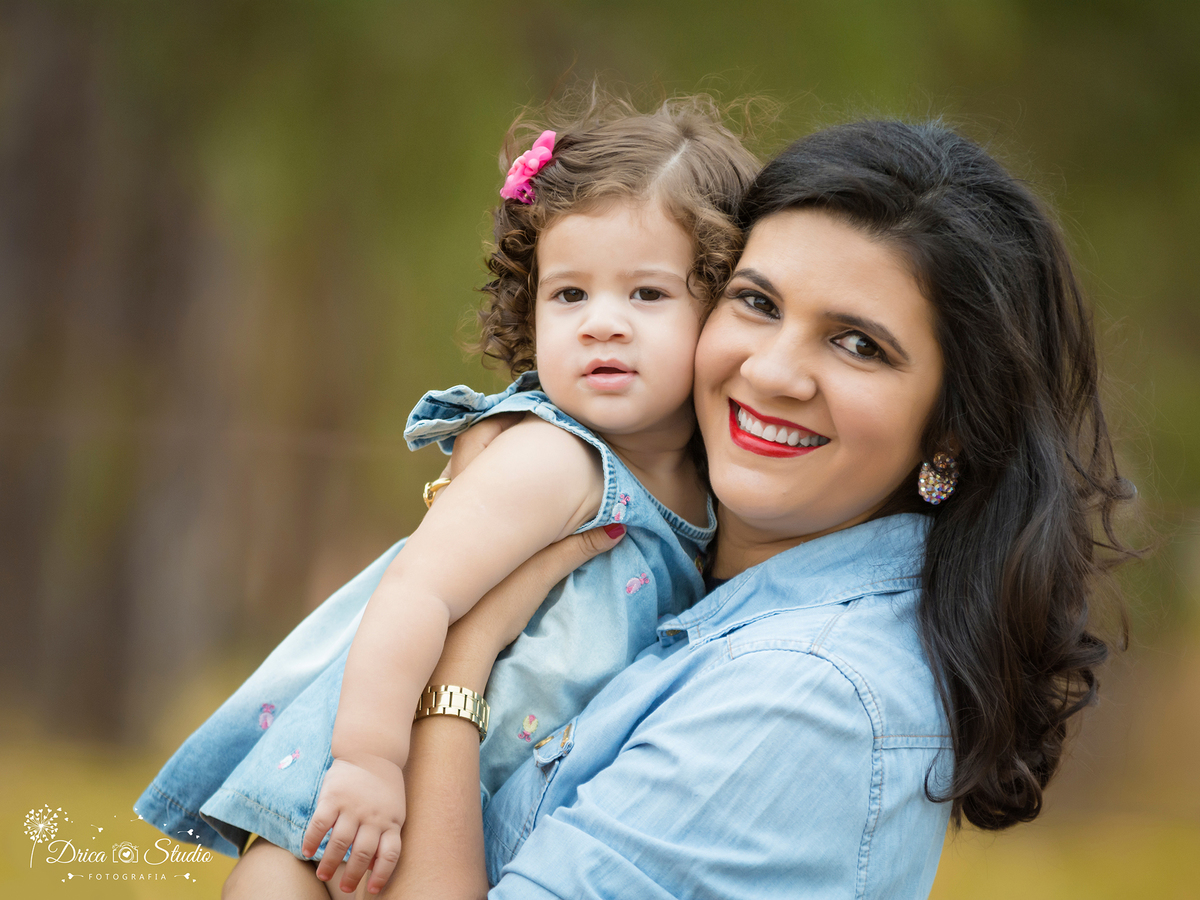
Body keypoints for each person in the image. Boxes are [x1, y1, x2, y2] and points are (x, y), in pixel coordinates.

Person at [294, 118, 1128, 898]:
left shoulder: (808, 701)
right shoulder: (663, 560)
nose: (769, 373)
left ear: (951, 429)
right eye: (757, 302)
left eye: (858, 344)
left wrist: (461, 660)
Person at [136, 93, 759, 896]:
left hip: (468, 809)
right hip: (368, 797)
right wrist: (366, 763)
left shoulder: (702, 489)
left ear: (721, 307)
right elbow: (418, 591)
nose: (603, 323)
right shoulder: (557, 461)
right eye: (570, 295)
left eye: (647, 295)